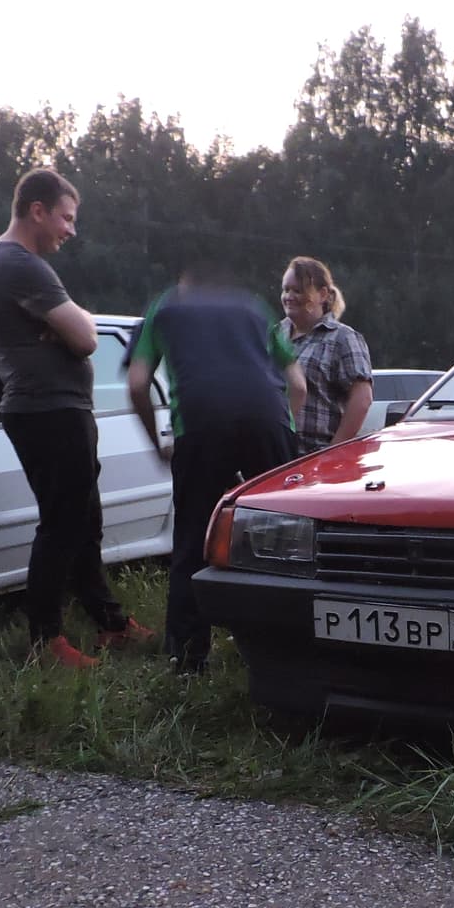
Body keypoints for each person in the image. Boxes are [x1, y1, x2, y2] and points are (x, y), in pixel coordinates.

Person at [0, 169, 153, 669]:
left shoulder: (14, 264)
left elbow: (78, 328)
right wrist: (73, 325)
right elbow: (87, 338)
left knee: (83, 520)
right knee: (62, 524)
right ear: (38, 211)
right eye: (66, 218)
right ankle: (45, 640)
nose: (71, 231)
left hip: (58, 409)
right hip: (48, 411)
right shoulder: (19, 264)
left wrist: (72, 323)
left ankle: (109, 624)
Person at [127, 271, 307, 672]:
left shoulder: (165, 306)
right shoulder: (252, 307)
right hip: (268, 420)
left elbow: (138, 384)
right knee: (282, 537)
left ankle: (188, 658)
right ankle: (287, 647)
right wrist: (280, 428)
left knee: (193, 537)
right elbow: (298, 383)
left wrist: (158, 445)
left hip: (201, 425)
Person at [280, 256, 372, 453]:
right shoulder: (275, 335)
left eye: (298, 290)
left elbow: (362, 399)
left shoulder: (342, 338)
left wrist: (332, 453)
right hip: (275, 458)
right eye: (286, 289)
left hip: (315, 460)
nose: (289, 296)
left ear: (322, 294)